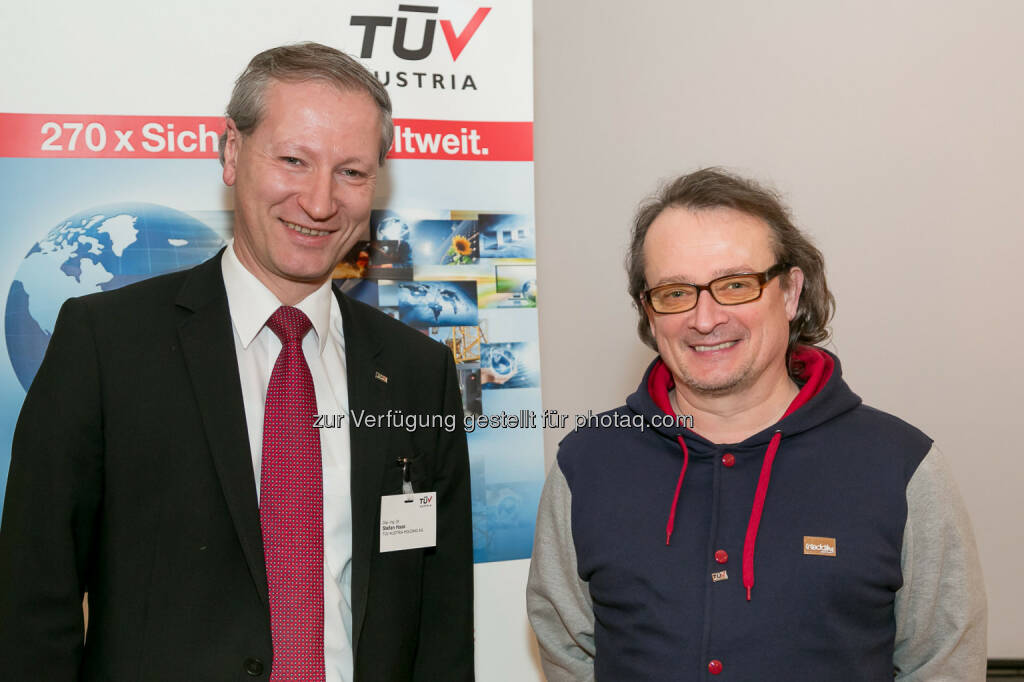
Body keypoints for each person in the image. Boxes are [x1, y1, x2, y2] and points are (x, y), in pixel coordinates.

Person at [0, 42, 474, 681]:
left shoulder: (420, 372)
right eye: (293, 160)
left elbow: (440, 620)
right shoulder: (106, 344)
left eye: (352, 172)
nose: (319, 201)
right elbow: (33, 600)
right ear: (231, 153)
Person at [526, 168, 986, 681]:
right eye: (676, 292)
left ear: (790, 292)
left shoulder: (901, 467)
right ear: (649, 312)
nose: (705, 318)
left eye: (735, 285)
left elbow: (942, 665)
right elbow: (568, 651)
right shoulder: (586, 464)